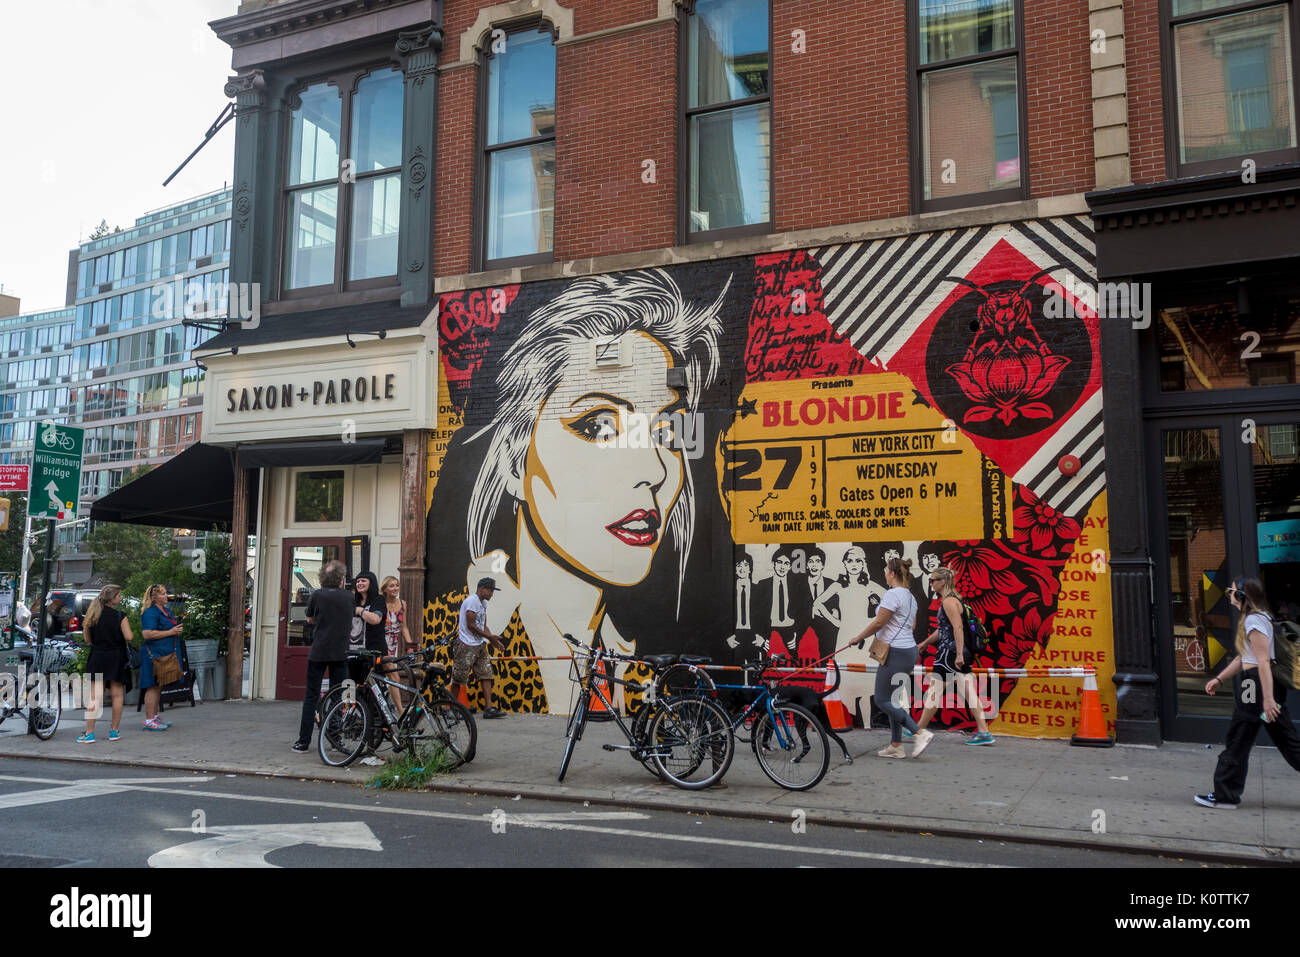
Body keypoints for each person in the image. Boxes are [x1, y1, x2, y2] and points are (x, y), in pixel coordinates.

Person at [427, 268, 725, 712]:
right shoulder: (452, 623)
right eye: (600, 424)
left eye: (665, 431)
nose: (655, 470)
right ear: (513, 458)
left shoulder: (639, 670)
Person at [1194, 577, 1300, 808]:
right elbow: (1245, 657)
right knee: (1287, 742)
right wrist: (1220, 678)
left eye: (1230, 591)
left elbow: (1262, 662)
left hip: (1254, 686)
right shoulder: (1258, 618)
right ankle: (1226, 795)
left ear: (1242, 596)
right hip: (1257, 685)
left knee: (1238, 739)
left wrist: (1269, 700)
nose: (1228, 595)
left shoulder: (1254, 620)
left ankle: (1225, 796)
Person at [851, 556, 933, 759]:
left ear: (893, 573)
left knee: (881, 699)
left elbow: (879, 623)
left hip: (895, 652)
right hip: (908, 651)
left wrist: (858, 637)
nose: (885, 575)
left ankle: (919, 732)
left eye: (886, 571)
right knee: (892, 699)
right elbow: (912, 626)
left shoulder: (892, 594)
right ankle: (896, 746)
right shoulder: (910, 597)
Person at [914, 567, 994, 746]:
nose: (931, 583)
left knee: (935, 692)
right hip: (957, 653)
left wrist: (958, 654)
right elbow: (944, 629)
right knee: (969, 692)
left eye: (933, 580)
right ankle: (984, 732)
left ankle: (918, 730)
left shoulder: (949, 602)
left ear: (942, 582)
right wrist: (926, 643)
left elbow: (957, 628)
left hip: (949, 654)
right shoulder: (955, 600)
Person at [812, 545, 884, 722]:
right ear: (844, 563)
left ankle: (866, 724)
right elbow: (818, 603)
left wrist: (872, 622)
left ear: (863, 564)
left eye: (858, 560)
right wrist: (836, 622)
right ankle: (840, 721)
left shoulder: (870, 586)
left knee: (865, 684)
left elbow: (889, 600)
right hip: (845, 637)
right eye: (850, 560)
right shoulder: (838, 586)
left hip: (864, 638)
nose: (853, 564)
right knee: (843, 680)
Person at [293, 560, 353, 753]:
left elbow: (309, 618)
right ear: (341, 579)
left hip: (319, 650)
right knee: (337, 696)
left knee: (311, 696)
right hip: (340, 651)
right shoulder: (349, 597)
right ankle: (335, 739)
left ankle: (303, 741)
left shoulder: (317, 595)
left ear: (322, 578)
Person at [77, 585, 133, 743]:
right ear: (113, 598)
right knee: (117, 695)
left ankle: (89, 733)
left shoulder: (92, 616)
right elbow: (129, 636)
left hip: (98, 657)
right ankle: (114, 731)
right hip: (116, 657)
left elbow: (88, 639)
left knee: (95, 697)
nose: (120, 598)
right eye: (119, 596)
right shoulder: (120, 616)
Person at [452, 577, 508, 718]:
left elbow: (483, 625)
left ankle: (489, 709)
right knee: (459, 677)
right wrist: (489, 637)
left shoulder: (483, 604)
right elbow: (471, 625)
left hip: (479, 645)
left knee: (486, 674)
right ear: (482, 588)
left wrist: (493, 640)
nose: (491, 594)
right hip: (466, 644)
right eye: (490, 590)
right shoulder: (472, 601)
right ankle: (451, 708)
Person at [140, 584, 183, 732]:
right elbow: (147, 633)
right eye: (163, 594)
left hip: (164, 654)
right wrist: (171, 632)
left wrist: (175, 631)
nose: (167, 596)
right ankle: (149, 720)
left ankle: (154, 716)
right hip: (154, 655)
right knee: (152, 686)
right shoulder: (150, 613)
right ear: (155, 597)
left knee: (158, 686)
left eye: (166, 593)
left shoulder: (166, 611)